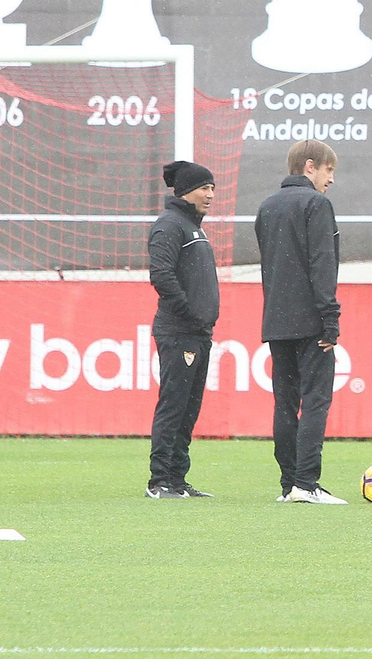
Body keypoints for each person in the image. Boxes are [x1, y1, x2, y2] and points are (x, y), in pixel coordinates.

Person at [255, 140, 346, 504]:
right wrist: (330, 318)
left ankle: (288, 484)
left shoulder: (266, 207)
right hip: (310, 319)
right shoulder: (316, 204)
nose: (332, 180)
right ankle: (307, 484)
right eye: (329, 171)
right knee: (316, 400)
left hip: (276, 318)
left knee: (284, 402)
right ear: (311, 167)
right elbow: (322, 264)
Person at [145, 160, 220, 499]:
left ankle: (177, 479)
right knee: (174, 405)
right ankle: (159, 481)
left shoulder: (193, 227)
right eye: (205, 188)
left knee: (189, 410)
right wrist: (190, 313)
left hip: (198, 333)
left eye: (212, 188)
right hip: (179, 332)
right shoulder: (170, 225)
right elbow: (161, 275)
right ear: (187, 190)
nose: (210, 195)